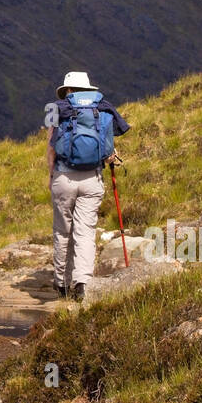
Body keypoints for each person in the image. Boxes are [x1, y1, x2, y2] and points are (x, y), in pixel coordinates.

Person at [46, 71, 130, 301]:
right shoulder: (103, 107)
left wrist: (51, 174)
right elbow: (108, 144)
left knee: (63, 231)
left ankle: (61, 283)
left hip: (64, 177)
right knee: (85, 232)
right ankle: (82, 282)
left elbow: (51, 145)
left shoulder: (56, 108)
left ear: (68, 90)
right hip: (92, 178)